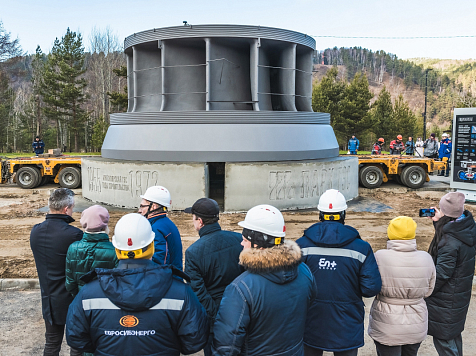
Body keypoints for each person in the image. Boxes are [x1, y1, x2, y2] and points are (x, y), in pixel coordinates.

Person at [66, 213, 209, 355]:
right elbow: (194, 341)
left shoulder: (89, 293)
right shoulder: (180, 293)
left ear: (117, 249)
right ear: (152, 246)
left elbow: (77, 338)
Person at [212, 204, 317, 355]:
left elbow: (226, 346)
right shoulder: (304, 271)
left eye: (245, 240)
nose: (241, 243)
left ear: (259, 244)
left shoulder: (241, 288)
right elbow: (309, 304)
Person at [296, 189, 382, 356]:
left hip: (310, 321)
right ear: (343, 214)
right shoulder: (362, 248)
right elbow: (370, 288)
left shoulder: (301, 246)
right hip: (346, 323)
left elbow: (292, 283)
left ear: (320, 214)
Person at [368, 216, 436, 356]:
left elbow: (371, 285)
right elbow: (429, 290)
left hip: (386, 322)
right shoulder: (426, 258)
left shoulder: (379, 256)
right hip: (416, 322)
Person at [184, 198, 243, 356]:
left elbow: (197, 292)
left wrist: (218, 316)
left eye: (193, 217)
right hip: (240, 311)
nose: (192, 221)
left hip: (214, 321)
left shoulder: (193, 253)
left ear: (200, 221)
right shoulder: (238, 239)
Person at [30, 188, 83, 356]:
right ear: (66, 209)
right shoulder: (74, 235)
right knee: (77, 345)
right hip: (72, 300)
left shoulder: (35, 232)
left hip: (49, 301)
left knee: (52, 344)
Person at [426, 192, 476, 356]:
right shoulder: (465, 228)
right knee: (453, 336)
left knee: (444, 340)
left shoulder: (449, 242)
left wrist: (426, 291)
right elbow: (451, 236)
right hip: (457, 297)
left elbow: (442, 274)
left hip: (446, 301)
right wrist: (439, 223)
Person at [65, 205, 118, 297]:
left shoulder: (73, 248)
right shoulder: (114, 250)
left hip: (82, 299)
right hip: (106, 301)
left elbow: (70, 283)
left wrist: (78, 297)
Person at [138, 185, 183, 270]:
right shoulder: (166, 223)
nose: (139, 210)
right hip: (173, 279)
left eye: (142, 206)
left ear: (153, 206)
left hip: (166, 280)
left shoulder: (156, 228)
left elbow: (160, 262)